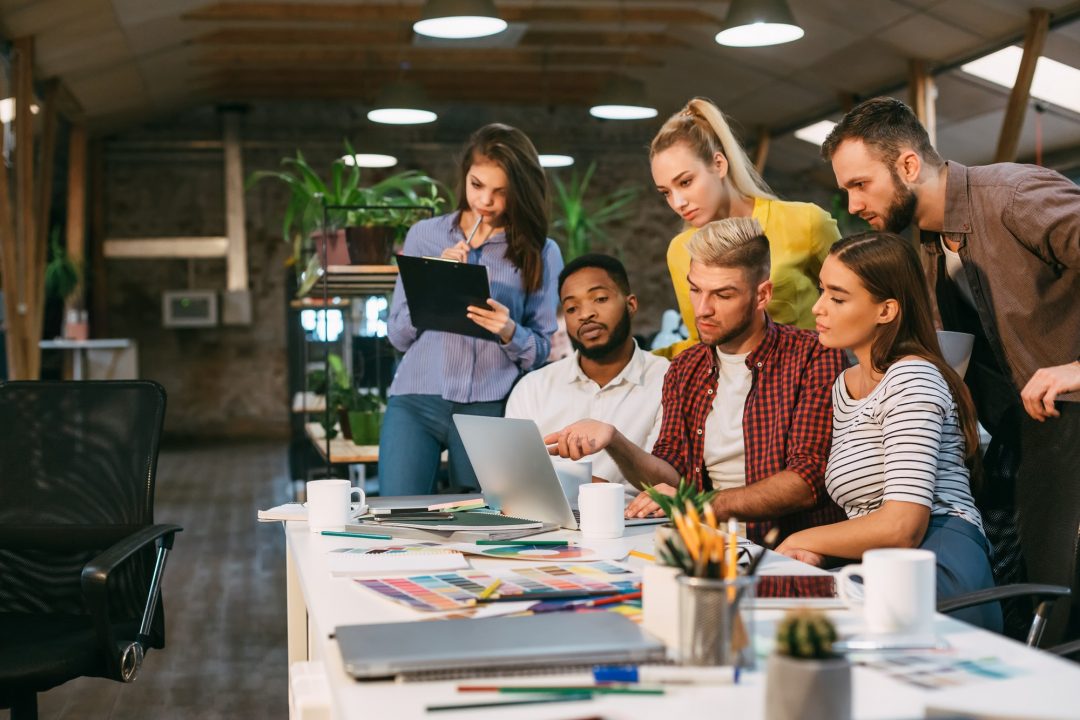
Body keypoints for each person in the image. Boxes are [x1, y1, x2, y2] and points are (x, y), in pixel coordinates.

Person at [822, 97, 1079, 638]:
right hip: (1029, 446)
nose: (851, 204)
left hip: (1071, 430)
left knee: (1061, 625)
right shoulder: (931, 247)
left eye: (861, 184)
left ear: (909, 165)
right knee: (1033, 624)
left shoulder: (1013, 197)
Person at [545, 218, 847, 545]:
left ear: (762, 295)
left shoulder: (813, 355)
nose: (702, 309)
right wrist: (614, 440)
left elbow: (806, 482)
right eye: (695, 289)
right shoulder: (686, 367)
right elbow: (672, 476)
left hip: (783, 553)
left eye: (723, 295)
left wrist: (696, 505)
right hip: (701, 548)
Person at [775, 232, 1001, 630]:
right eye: (822, 291)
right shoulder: (844, 385)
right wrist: (821, 554)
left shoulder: (912, 377)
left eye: (837, 297)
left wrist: (803, 541)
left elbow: (902, 525)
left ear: (886, 310)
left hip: (936, 565)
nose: (818, 308)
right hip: (882, 566)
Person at [380, 123, 564, 496]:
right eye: (477, 185)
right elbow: (397, 336)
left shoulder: (542, 252)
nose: (485, 201)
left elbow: (542, 351)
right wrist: (434, 284)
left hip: (489, 406)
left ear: (520, 191)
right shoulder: (424, 236)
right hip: (416, 398)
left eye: (501, 192)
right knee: (394, 514)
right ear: (464, 175)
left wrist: (510, 331)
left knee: (485, 525)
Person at [650, 96, 840, 358]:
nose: (677, 203)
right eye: (665, 193)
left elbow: (856, 301)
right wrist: (639, 363)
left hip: (811, 382)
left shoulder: (805, 222)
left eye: (685, 182)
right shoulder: (681, 251)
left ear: (719, 164)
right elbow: (701, 341)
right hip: (730, 391)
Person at [505, 253, 669, 498]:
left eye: (600, 299)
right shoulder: (533, 388)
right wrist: (585, 485)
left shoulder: (668, 379)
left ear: (631, 304)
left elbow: (672, 480)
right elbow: (511, 477)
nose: (585, 314)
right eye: (572, 308)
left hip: (637, 524)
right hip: (550, 522)